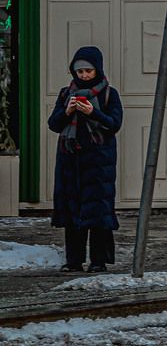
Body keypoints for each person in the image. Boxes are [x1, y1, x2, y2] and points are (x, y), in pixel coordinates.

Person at [47, 46, 123, 272]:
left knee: (98, 213)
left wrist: (93, 112)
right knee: (72, 212)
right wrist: (67, 111)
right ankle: (74, 261)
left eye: (88, 71)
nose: (84, 76)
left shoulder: (109, 94)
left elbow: (114, 124)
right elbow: (54, 124)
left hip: (99, 161)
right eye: (80, 72)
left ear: (97, 70)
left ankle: (98, 261)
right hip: (70, 160)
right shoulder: (65, 94)